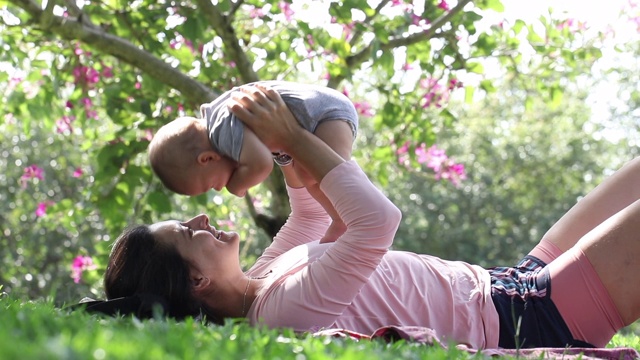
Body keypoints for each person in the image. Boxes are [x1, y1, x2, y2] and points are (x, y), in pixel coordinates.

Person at [105, 84, 639, 350]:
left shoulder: (263, 278)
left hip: (509, 282)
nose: (199, 218)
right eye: (185, 231)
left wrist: (283, 144)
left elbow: (310, 217)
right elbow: (378, 222)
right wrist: (292, 139)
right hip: (531, 318)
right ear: (195, 280)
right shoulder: (278, 314)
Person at [148, 80, 358, 243]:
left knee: (331, 179)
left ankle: (345, 219)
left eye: (212, 184)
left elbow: (261, 164)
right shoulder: (219, 120)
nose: (220, 187)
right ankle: (340, 218)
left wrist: (236, 185)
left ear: (207, 159)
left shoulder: (222, 132)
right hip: (322, 113)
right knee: (308, 175)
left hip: (324, 117)